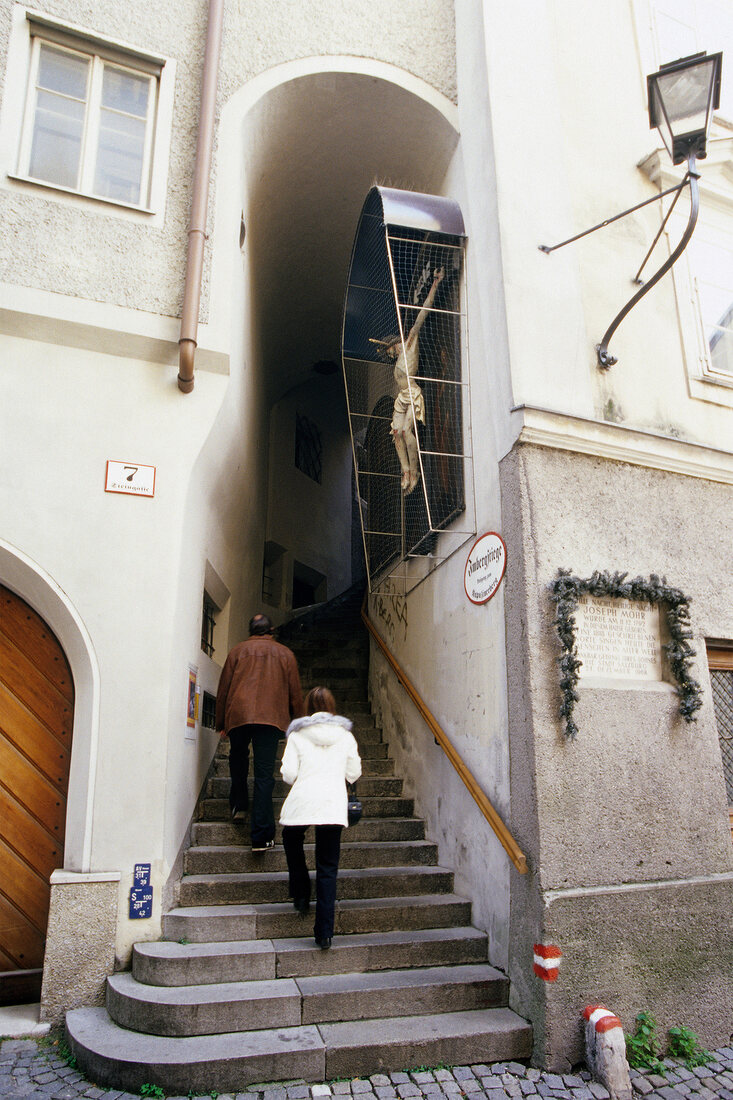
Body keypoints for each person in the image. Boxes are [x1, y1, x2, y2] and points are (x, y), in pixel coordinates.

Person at [279, 686, 362, 949]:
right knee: (328, 868)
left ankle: (301, 891)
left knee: (291, 838)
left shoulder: (297, 735)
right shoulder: (345, 736)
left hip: (303, 799)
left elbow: (289, 775)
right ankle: (324, 933)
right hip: (332, 804)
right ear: (332, 706)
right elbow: (354, 773)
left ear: (308, 708)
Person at [216, 613, 303, 852]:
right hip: (271, 719)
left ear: (250, 631)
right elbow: (295, 693)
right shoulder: (285, 654)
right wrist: (300, 723)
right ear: (271, 630)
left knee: (238, 759)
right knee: (264, 776)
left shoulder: (237, 652)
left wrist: (221, 721)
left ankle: (239, 805)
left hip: (239, 716)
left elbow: (223, 688)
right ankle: (261, 836)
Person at [378, 266, 444, 495]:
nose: (391, 355)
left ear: (395, 344)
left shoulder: (409, 344)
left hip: (413, 392)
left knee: (406, 432)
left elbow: (422, 315)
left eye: (390, 351)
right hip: (401, 397)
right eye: (389, 355)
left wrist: (435, 284)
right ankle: (405, 470)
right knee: (396, 434)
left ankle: (414, 472)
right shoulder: (397, 358)